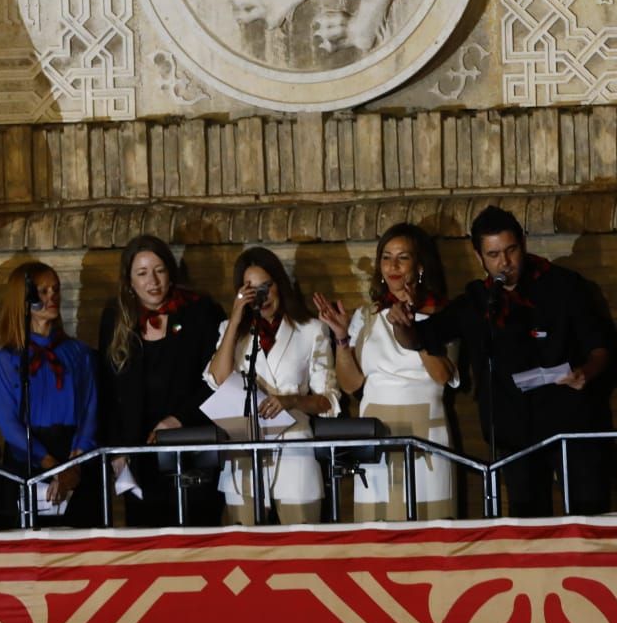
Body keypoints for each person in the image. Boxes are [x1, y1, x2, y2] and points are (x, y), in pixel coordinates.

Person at [392, 206, 617, 517]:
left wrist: (585, 373)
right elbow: (420, 338)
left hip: (570, 427)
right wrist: (403, 325)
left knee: (586, 519)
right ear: (478, 257)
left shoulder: (564, 286)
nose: (505, 263)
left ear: (523, 244)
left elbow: (601, 348)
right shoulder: (478, 301)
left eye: (511, 250)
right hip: (514, 432)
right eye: (494, 254)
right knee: (526, 525)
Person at [315, 223, 458, 520]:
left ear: (419, 266)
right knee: (377, 528)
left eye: (402, 257)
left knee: (428, 525)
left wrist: (414, 332)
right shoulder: (366, 316)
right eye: (386, 257)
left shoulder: (443, 315)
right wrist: (341, 338)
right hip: (376, 429)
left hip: (425, 428)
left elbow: (443, 376)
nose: (393, 266)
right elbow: (353, 384)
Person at [99, 235, 227, 526]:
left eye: (159, 270)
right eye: (142, 274)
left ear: (171, 272)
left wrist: (179, 419)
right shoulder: (115, 318)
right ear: (129, 281)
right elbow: (108, 390)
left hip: (194, 444)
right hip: (140, 454)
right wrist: (117, 448)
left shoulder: (201, 312)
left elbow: (217, 380)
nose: (152, 281)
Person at [206, 247, 338, 523]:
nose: (261, 297)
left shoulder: (311, 330)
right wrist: (235, 320)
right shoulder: (230, 331)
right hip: (244, 456)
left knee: (301, 551)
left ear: (280, 285)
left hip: (295, 454)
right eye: (252, 290)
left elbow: (329, 401)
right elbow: (217, 379)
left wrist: (291, 401)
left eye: (266, 286)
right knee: (245, 552)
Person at [0, 262, 99, 526]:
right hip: (29, 456)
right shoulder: (5, 359)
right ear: (25, 299)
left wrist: (73, 465)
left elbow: (90, 408)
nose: (52, 297)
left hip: (75, 456)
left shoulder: (78, 353)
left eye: (56, 290)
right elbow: (7, 422)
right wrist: (51, 466)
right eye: (43, 291)